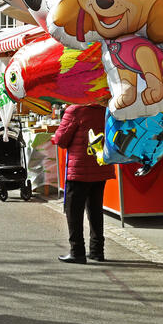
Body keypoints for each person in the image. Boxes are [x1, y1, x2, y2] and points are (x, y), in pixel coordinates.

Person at [52, 104, 112, 263]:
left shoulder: (75, 110)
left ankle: (77, 251)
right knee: (95, 210)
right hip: (100, 166)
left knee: (74, 212)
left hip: (78, 170)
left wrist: (54, 136)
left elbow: (61, 140)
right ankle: (97, 251)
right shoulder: (104, 109)